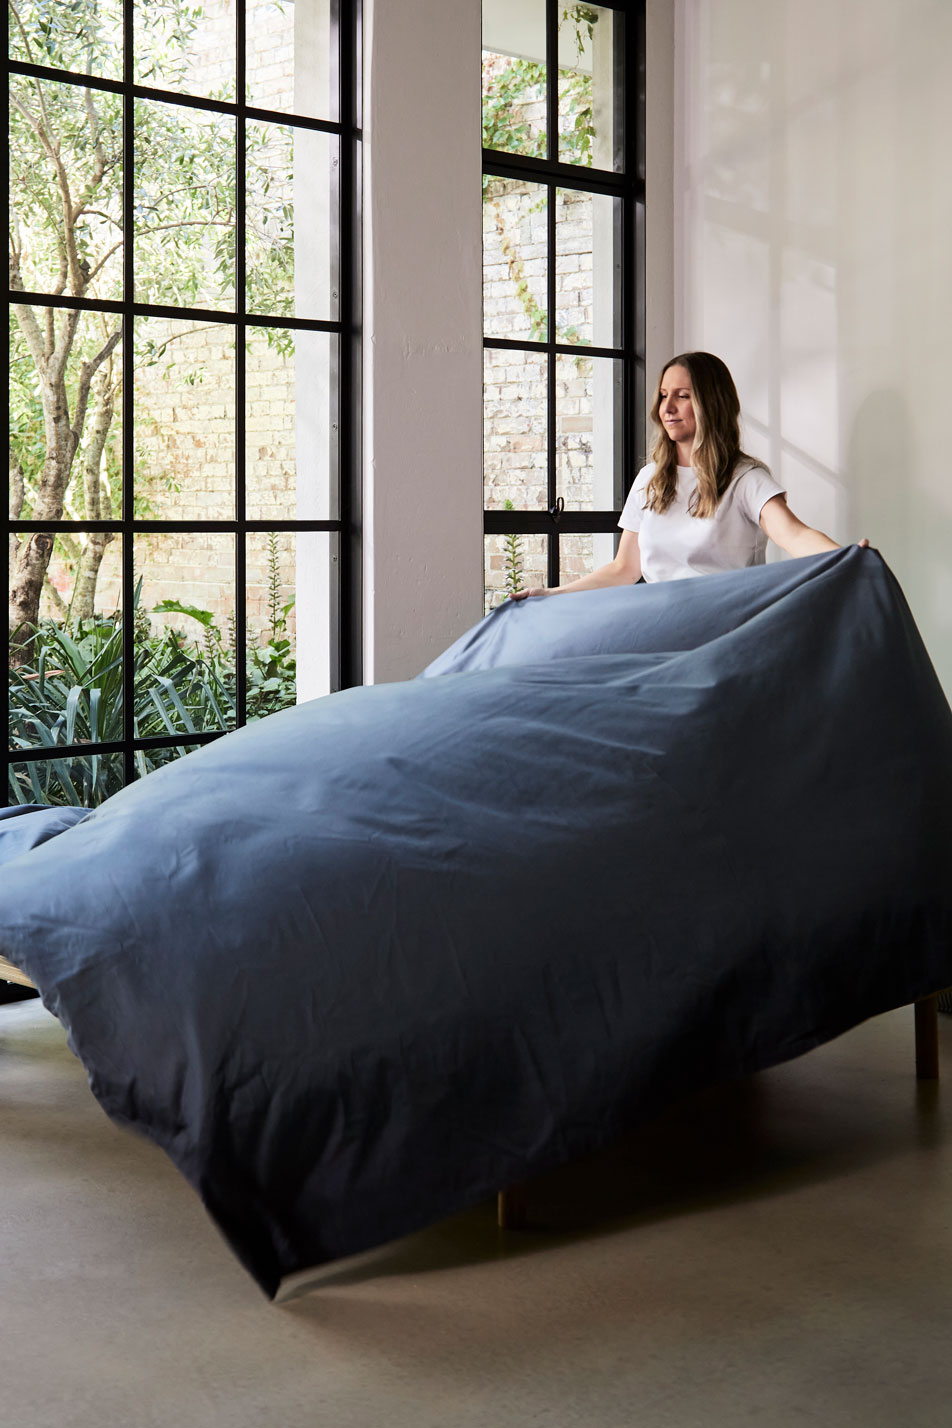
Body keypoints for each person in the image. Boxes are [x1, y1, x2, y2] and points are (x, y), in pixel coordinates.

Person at [510, 351, 867, 598]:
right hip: (660, 623)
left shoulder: (745, 479)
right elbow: (623, 570)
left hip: (728, 625)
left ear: (711, 404)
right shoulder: (649, 480)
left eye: (682, 396)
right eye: (664, 395)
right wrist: (553, 594)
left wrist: (847, 557)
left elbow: (795, 535)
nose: (666, 407)